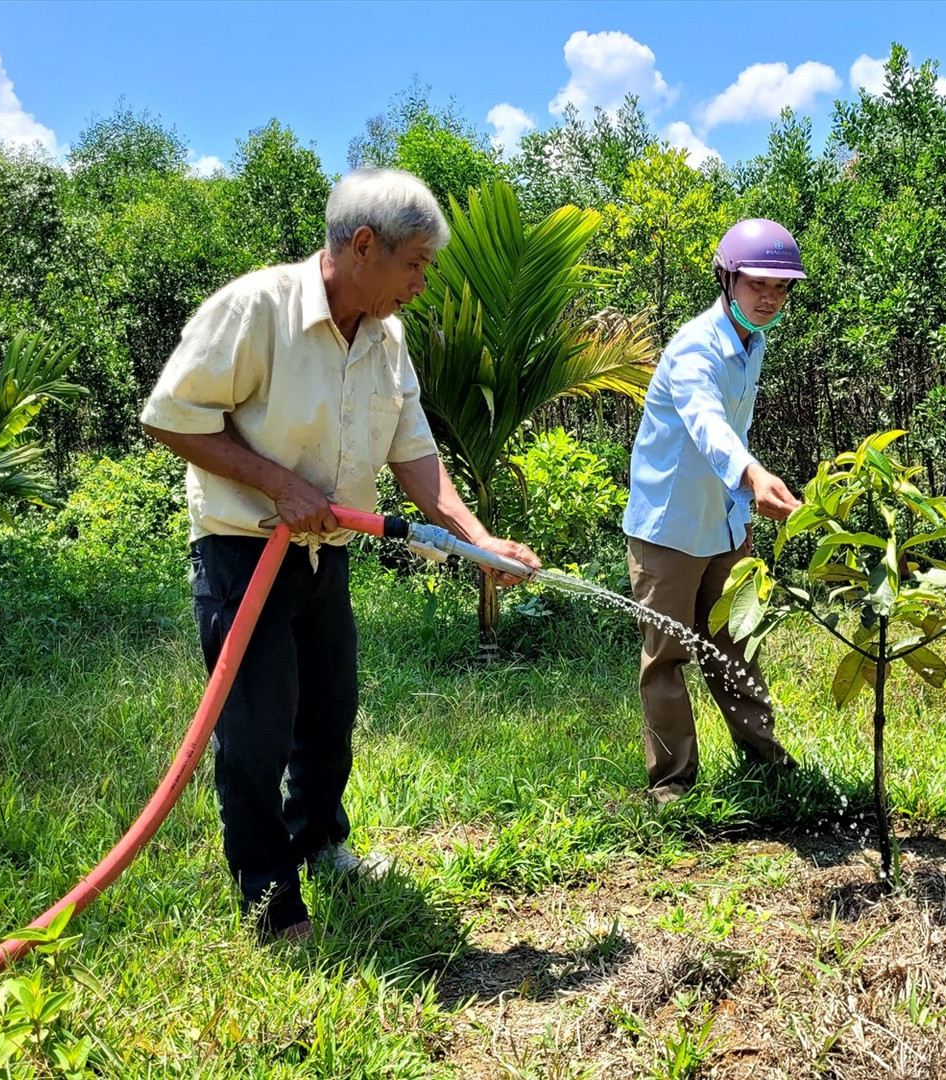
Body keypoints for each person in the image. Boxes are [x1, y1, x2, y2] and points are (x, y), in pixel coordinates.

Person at [141, 168, 538, 942]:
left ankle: (321, 845)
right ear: (364, 246)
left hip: (327, 555)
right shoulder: (256, 308)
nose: (423, 283)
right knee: (255, 731)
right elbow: (169, 418)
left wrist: (476, 538)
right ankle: (271, 899)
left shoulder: (386, 338)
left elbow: (414, 454)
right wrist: (275, 483)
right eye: (417, 264)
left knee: (328, 716)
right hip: (243, 551)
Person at [622, 219, 808, 806]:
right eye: (758, 284)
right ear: (727, 279)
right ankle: (672, 785)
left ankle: (767, 765)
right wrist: (754, 476)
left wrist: (742, 508)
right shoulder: (695, 349)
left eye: (782, 288)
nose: (770, 298)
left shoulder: (753, 341)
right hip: (670, 527)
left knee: (737, 643)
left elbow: (737, 426)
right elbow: (707, 425)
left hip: (724, 523)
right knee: (667, 657)